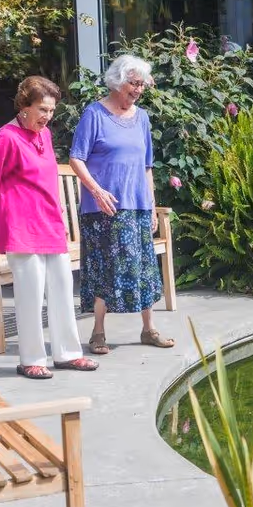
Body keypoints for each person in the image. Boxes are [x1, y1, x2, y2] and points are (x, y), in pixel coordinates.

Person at [0, 76, 98, 379]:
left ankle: (68, 354)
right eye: (42, 109)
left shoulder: (43, 135)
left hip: (50, 223)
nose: (47, 117)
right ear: (24, 106)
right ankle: (31, 359)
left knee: (62, 289)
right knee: (31, 294)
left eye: (52, 111)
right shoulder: (5, 138)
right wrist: (9, 211)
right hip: (22, 226)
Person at [69, 54, 175, 354]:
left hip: (137, 205)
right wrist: (97, 191)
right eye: (134, 83)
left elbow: (146, 166)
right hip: (104, 208)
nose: (138, 90)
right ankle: (98, 332)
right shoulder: (95, 114)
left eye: (142, 84)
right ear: (117, 82)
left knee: (143, 267)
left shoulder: (141, 118)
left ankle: (148, 329)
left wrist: (152, 204)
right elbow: (76, 158)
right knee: (106, 268)